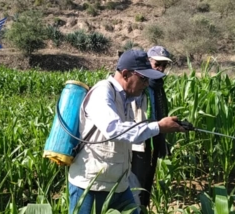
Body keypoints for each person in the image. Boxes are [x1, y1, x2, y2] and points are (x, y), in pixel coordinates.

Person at [68, 49, 184, 214]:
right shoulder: (102, 93)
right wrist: (158, 127)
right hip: (91, 184)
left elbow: (131, 136)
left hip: (120, 185)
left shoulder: (126, 98)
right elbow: (114, 130)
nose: (146, 84)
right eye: (143, 78)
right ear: (125, 74)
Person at [131, 46, 173, 209]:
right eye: (158, 64)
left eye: (164, 65)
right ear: (148, 62)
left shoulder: (158, 87)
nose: (161, 68)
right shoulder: (140, 85)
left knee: (147, 183)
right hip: (139, 144)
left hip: (155, 142)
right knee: (137, 185)